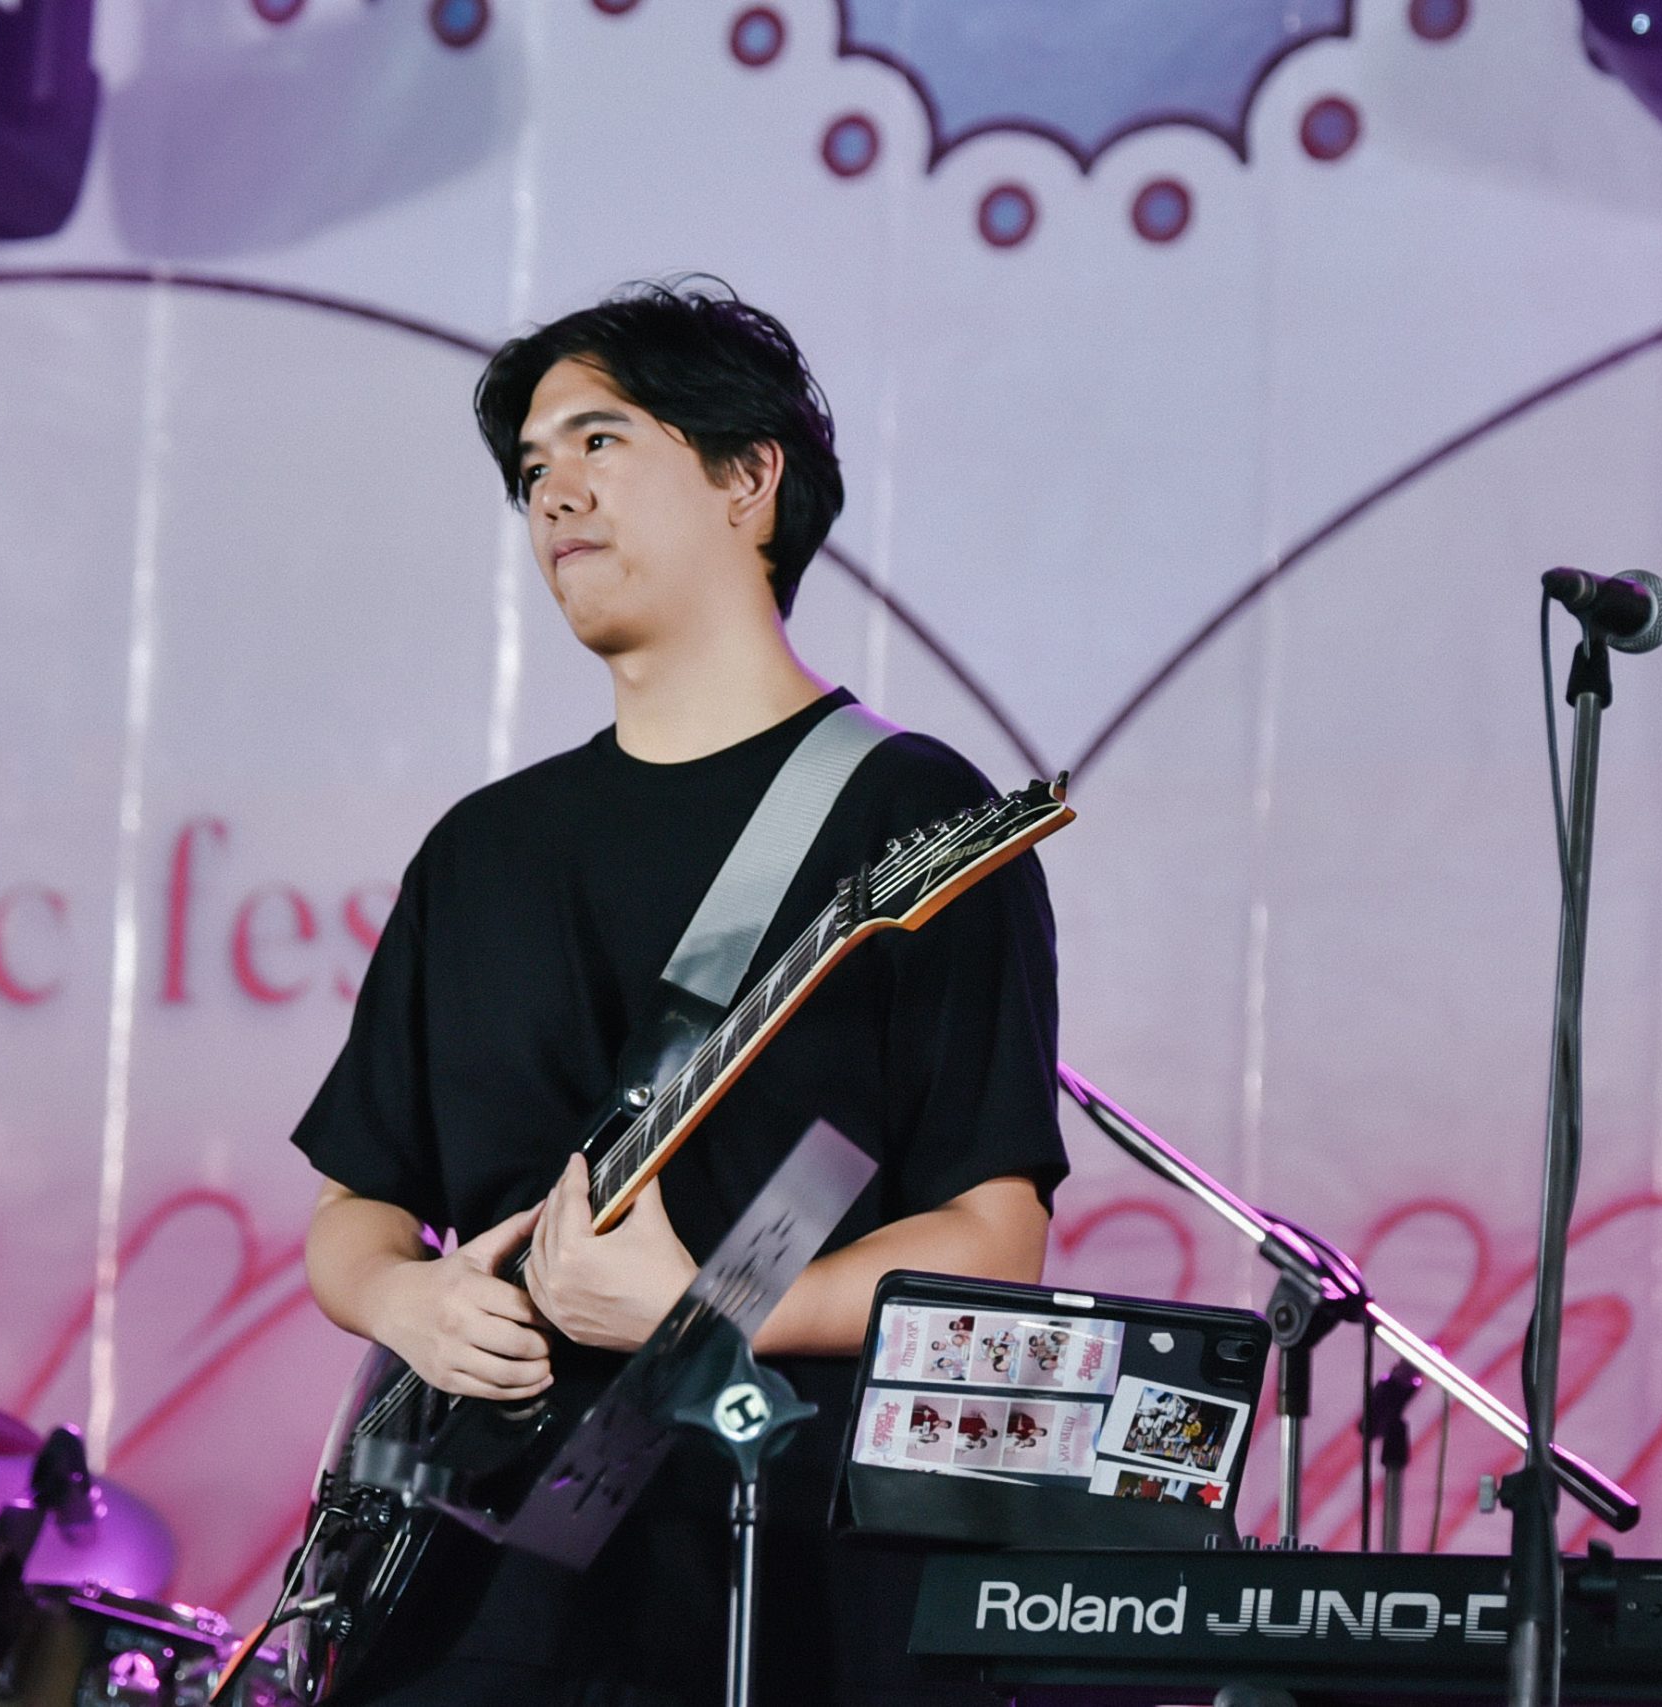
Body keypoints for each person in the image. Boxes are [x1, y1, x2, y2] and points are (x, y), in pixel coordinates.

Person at [289, 280, 1068, 1707]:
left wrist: (712, 1308)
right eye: (533, 468)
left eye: (601, 441)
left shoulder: (909, 816)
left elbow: (989, 1236)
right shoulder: (481, 850)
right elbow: (356, 1208)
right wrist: (405, 1299)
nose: (554, 494)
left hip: (779, 1568)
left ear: (747, 478)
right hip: (464, 1582)